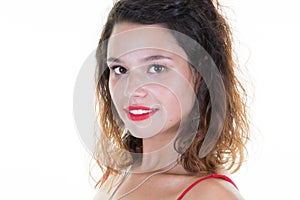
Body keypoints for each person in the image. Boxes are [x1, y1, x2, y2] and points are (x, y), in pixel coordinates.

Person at [93, 0, 249, 199]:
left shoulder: (210, 195)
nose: (131, 90)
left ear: (201, 74)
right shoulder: (116, 177)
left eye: (157, 68)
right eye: (120, 69)